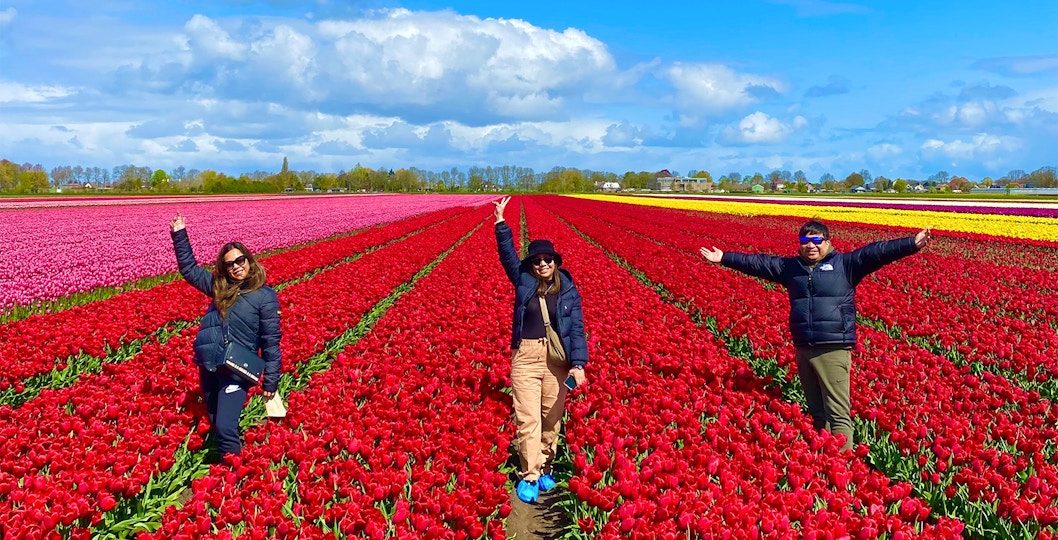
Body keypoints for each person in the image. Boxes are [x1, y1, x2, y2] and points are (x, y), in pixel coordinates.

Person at [700, 220, 930, 451]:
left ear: (827, 242)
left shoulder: (845, 265)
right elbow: (759, 263)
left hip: (832, 347)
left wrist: (911, 244)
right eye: (805, 241)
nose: (811, 245)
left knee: (838, 412)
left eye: (817, 240)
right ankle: (824, 460)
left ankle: (844, 465)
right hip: (804, 347)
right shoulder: (791, 269)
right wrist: (725, 258)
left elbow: (877, 252)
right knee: (817, 412)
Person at [493, 196, 588, 503]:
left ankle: (546, 467)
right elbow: (508, 257)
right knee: (528, 418)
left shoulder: (569, 290)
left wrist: (579, 363)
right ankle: (529, 474)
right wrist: (500, 223)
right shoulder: (523, 282)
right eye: (537, 260)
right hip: (527, 356)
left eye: (548, 259)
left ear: (556, 262)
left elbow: (576, 329)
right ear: (530, 265)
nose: (543, 264)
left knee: (551, 417)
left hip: (557, 360)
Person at [170, 213, 282, 458]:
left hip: (236, 369)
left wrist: (271, 380)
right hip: (210, 365)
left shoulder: (264, 296)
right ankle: (227, 459)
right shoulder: (219, 289)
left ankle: (232, 474)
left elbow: (271, 342)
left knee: (224, 425)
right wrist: (179, 233)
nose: (236, 266)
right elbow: (189, 269)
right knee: (214, 418)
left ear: (249, 261)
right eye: (230, 264)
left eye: (241, 260)